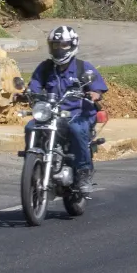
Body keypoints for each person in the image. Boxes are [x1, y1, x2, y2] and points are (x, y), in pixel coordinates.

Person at [26, 26, 108, 194]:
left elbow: (97, 88)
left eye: (63, 45)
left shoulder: (83, 67)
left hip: (78, 114)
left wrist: (94, 93)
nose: (58, 49)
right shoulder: (46, 68)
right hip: (52, 114)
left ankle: (83, 172)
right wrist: (26, 94)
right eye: (55, 45)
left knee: (76, 129)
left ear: (72, 45)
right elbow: (34, 85)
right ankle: (34, 162)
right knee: (30, 126)